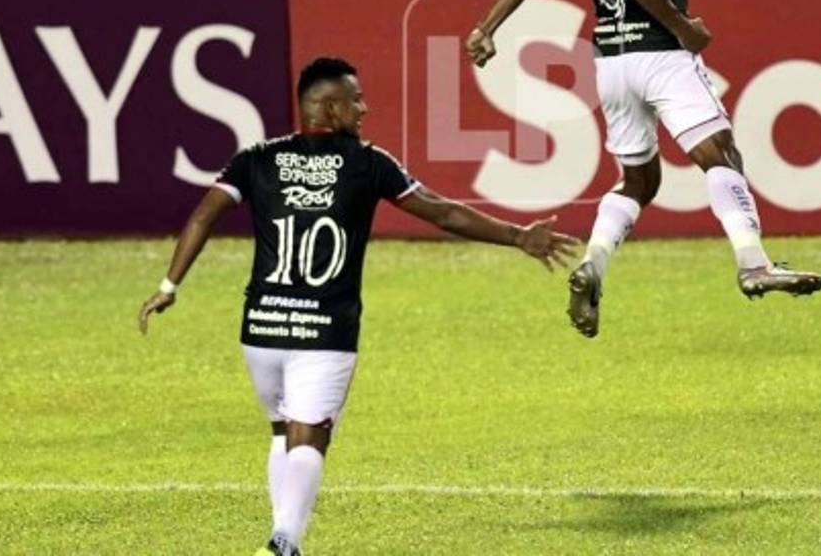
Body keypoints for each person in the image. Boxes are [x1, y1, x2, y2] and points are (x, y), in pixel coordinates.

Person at [137, 57, 577, 556]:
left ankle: (284, 541)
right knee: (309, 439)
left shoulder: (256, 158)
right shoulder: (368, 162)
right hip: (325, 329)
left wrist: (169, 285)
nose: (364, 108)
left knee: (283, 431)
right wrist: (518, 237)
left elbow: (203, 214)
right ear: (329, 107)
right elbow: (443, 213)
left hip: (261, 328)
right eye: (355, 99)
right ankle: (283, 544)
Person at [464, 0, 821, 339]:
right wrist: (684, 27)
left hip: (611, 61)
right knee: (721, 155)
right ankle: (753, 264)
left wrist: (485, 27)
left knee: (639, 180)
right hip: (661, 54)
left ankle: (593, 264)